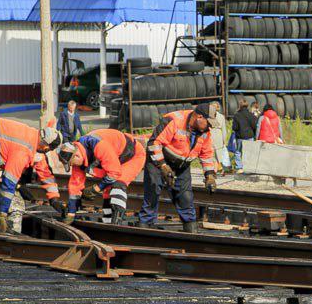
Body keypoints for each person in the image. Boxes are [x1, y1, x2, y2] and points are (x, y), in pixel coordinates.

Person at [138, 104, 218, 233]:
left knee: (185, 196)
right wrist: (163, 166)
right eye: (208, 123)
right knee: (153, 190)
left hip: (181, 165)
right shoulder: (174, 121)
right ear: (199, 117)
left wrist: (209, 176)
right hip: (159, 160)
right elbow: (154, 143)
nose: (210, 126)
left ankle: (190, 227)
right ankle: (145, 225)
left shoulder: (205, 132)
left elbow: (207, 154)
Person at [58, 128, 146, 225]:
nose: (72, 166)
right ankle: (107, 222)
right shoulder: (77, 158)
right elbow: (75, 186)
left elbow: (114, 173)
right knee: (107, 192)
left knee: (118, 185)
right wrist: (71, 213)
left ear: (77, 156)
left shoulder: (97, 145)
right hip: (114, 158)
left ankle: (117, 222)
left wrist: (96, 188)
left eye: (71, 163)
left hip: (132, 156)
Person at [229, 98, 257, 173]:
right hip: (250, 136)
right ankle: (249, 167)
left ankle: (239, 167)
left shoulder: (237, 115)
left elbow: (235, 127)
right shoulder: (251, 115)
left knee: (238, 152)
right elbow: (254, 126)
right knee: (249, 152)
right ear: (247, 106)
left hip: (240, 137)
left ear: (239, 106)